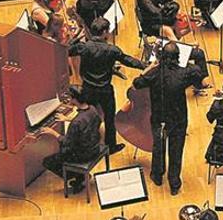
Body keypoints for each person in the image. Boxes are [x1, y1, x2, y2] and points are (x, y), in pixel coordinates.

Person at [132, 42, 207, 194]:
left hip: (159, 117)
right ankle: (174, 183)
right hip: (178, 118)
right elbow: (201, 81)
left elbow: (136, 84)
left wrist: (150, 67)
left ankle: (158, 176)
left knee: (158, 147)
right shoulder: (186, 72)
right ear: (178, 57)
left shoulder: (154, 73)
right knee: (176, 150)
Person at [69, 17, 146, 155]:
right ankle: (111, 146)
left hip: (87, 89)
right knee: (110, 119)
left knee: (88, 115)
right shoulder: (112, 50)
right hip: (105, 90)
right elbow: (128, 60)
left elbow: (67, 49)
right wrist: (145, 66)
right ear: (104, 32)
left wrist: (76, 37)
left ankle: (89, 142)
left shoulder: (84, 47)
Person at [41, 85, 102, 193]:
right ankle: (80, 175)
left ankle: (79, 177)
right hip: (95, 147)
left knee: (48, 162)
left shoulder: (76, 123)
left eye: (70, 97)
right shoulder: (92, 109)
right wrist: (67, 119)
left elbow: (67, 143)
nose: (68, 99)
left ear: (74, 99)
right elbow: (86, 121)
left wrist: (53, 132)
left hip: (83, 154)